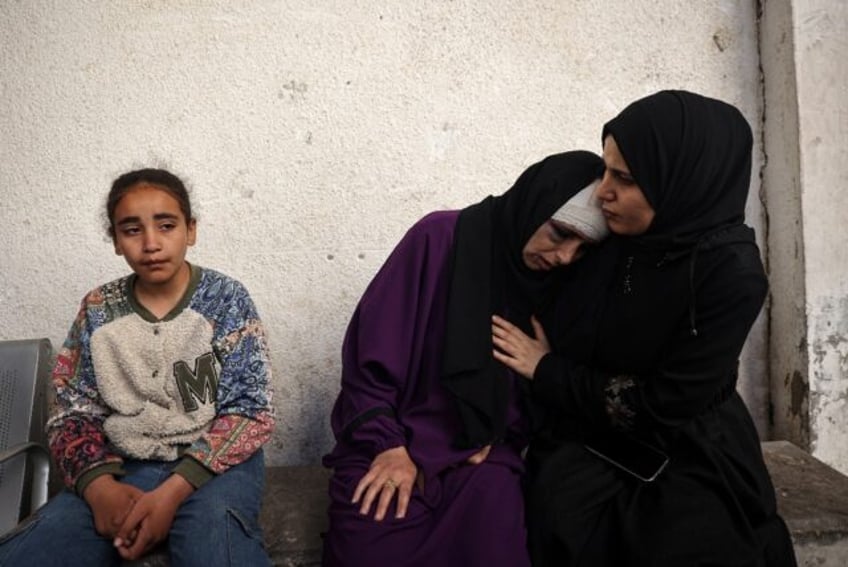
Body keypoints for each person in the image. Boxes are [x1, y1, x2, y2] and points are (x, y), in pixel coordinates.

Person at [493, 90, 797, 566]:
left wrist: (550, 369)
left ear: (681, 182)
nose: (601, 192)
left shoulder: (729, 274)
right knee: (553, 514)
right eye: (606, 170)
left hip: (686, 449)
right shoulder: (621, 237)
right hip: (586, 435)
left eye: (625, 178)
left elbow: (661, 405)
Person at [321, 151, 609, 567]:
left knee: (495, 536)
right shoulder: (439, 240)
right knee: (370, 537)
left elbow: (536, 407)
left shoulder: (558, 285)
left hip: (482, 460)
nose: (564, 256)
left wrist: (541, 372)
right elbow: (368, 367)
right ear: (533, 205)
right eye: (560, 233)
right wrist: (388, 445)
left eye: (583, 249)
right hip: (392, 446)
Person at [0, 168, 275, 566]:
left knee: (215, 544)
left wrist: (173, 493)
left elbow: (252, 410)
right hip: (124, 466)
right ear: (115, 240)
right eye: (132, 230)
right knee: (32, 551)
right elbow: (70, 413)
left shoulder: (226, 299)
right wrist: (99, 489)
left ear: (190, 230)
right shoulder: (98, 309)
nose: (151, 243)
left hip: (217, 469)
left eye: (166, 225)